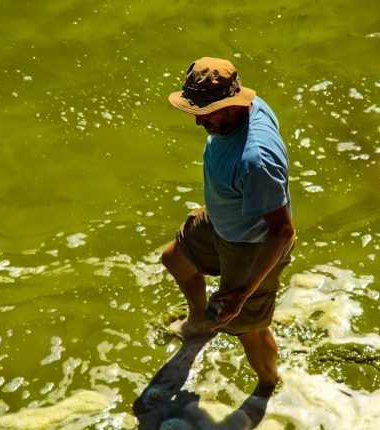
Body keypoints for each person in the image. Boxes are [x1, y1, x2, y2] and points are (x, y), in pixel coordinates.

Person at [161, 57, 295, 395]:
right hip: (223, 217)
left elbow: (282, 232)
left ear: (232, 106)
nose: (198, 122)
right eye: (195, 111)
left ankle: (267, 388)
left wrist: (244, 292)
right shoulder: (246, 107)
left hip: (250, 246)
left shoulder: (256, 159)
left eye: (206, 113)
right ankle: (200, 323)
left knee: (247, 329)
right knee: (174, 259)